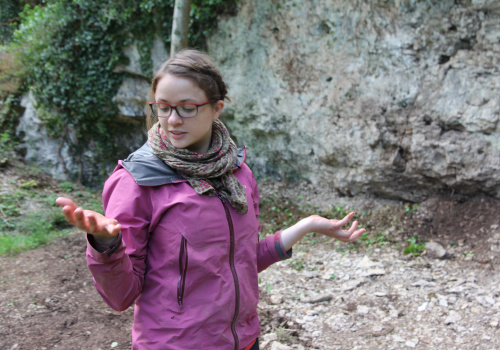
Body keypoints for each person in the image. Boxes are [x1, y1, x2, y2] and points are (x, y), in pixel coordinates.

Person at [56, 49, 365, 350]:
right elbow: (120, 297)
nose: (172, 119)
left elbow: (240, 261)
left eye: (187, 107)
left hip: (245, 340)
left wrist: (305, 226)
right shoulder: (137, 181)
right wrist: (105, 246)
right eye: (163, 107)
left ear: (217, 108)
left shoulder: (237, 172)